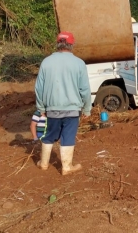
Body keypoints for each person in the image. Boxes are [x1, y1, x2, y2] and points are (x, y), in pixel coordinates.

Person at [34, 31, 91, 175]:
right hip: (72, 110)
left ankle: (44, 163)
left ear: (57, 44)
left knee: (50, 134)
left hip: (52, 108)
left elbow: (39, 88)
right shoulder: (79, 63)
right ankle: (66, 167)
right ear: (72, 44)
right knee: (68, 136)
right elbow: (85, 89)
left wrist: (41, 107)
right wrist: (87, 109)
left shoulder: (46, 62)